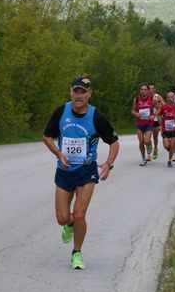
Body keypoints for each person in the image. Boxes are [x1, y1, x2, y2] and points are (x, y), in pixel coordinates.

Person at [43, 77, 119, 270]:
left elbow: (114, 142)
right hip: (65, 171)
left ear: (89, 93)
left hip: (86, 172)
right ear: (71, 92)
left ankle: (76, 253)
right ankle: (69, 225)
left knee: (79, 214)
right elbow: (46, 137)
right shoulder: (61, 112)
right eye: (75, 91)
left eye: (82, 92)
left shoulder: (96, 117)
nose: (79, 96)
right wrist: (58, 153)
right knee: (62, 218)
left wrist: (108, 164)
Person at [157, 92, 175, 167]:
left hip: (174, 130)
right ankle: (169, 149)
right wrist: (159, 118)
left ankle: (169, 160)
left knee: (172, 146)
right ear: (166, 98)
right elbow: (158, 114)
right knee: (166, 146)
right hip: (165, 130)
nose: (170, 99)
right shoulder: (163, 107)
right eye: (168, 97)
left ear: (174, 98)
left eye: (171, 97)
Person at [131, 82, 154, 166]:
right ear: (140, 90)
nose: (143, 91)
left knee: (147, 141)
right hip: (139, 124)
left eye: (145, 90)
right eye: (142, 90)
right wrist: (136, 114)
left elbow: (159, 109)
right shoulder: (136, 99)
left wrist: (154, 115)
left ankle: (149, 145)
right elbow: (133, 110)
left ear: (148, 91)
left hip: (148, 124)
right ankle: (143, 159)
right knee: (141, 142)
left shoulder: (152, 99)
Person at [148, 83, 165, 160]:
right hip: (147, 119)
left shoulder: (157, 96)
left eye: (152, 88)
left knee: (155, 137)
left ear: (155, 89)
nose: (151, 90)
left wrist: (157, 104)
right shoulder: (145, 97)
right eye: (149, 89)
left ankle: (155, 148)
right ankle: (148, 154)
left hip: (156, 119)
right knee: (147, 138)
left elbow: (164, 107)